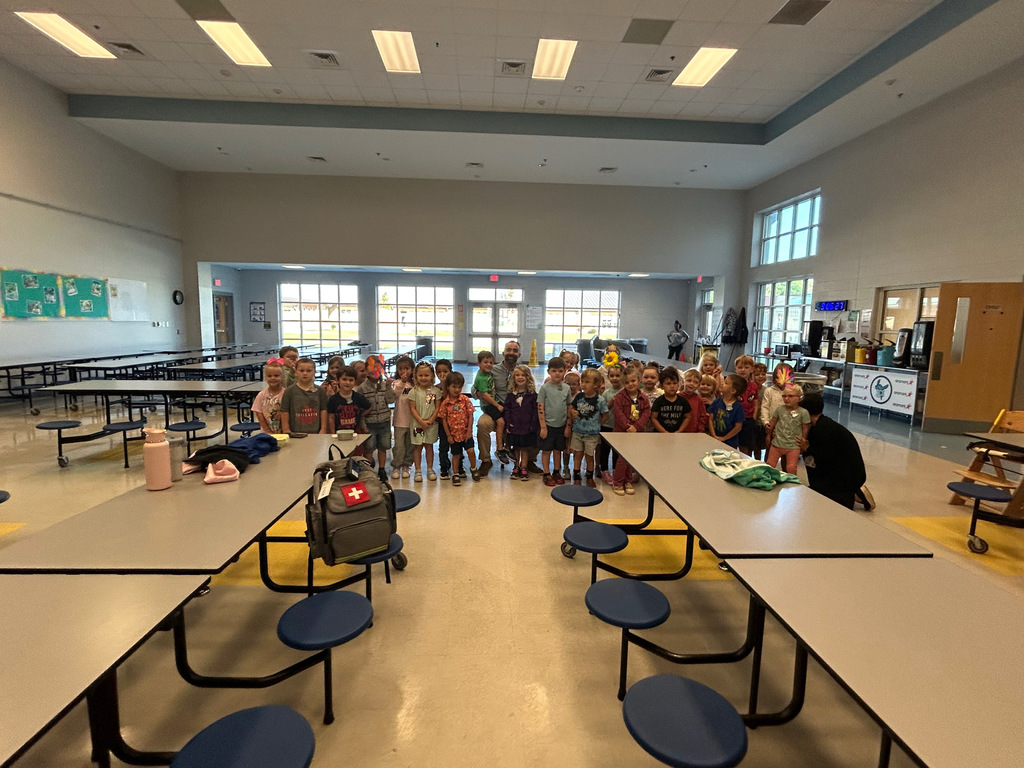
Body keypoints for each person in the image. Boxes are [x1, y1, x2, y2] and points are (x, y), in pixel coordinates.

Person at [798, 393, 867, 509]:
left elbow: (826, 456)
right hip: (845, 473)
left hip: (848, 477)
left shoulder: (823, 429)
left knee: (812, 496)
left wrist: (808, 449)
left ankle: (853, 495)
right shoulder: (821, 425)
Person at [473, 341, 520, 473]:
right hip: (495, 408)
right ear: (503, 353)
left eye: (515, 350)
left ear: (519, 354)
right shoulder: (491, 369)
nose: (511, 353)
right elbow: (475, 387)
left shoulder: (522, 372)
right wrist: (478, 393)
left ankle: (527, 461)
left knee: (533, 425)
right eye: (508, 350)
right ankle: (485, 460)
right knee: (483, 424)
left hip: (514, 411)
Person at [611, 369, 651, 495]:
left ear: (639, 381)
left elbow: (646, 413)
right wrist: (628, 426)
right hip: (622, 432)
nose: (631, 384)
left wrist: (637, 426)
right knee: (622, 458)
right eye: (627, 382)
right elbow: (618, 413)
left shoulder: (643, 398)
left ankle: (628, 480)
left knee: (631, 458)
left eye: (633, 381)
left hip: (636, 433)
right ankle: (618, 482)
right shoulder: (619, 397)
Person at [437, 371, 480, 485]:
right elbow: (444, 420)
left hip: (466, 433)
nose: (457, 390)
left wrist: (470, 431)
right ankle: (455, 473)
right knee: (456, 454)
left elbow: (470, 415)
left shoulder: (465, 400)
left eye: (459, 387)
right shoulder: (445, 403)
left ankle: (473, 468)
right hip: (454, 435)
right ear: (448, 387)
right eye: (454, 387)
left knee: (470, 451)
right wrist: (448, 435)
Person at [357, 354, 396, 479]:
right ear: (367, 370)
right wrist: (363, 425)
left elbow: (390, 400)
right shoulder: (362, 388)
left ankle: (382, 469)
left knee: (383, 447)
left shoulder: (385, 384)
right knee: (369, 449)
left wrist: (389, 387)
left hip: (384, 422)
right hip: (370, 423)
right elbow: (360, 409)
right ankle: (369, 471)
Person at [568, 368, 607, 487]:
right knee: (578, 454)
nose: (583, 384)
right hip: (578, 432)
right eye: (582, 381)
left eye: (587, 382)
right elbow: (571, 407)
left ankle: (589, 476)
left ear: (596, 385)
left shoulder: (600, 400)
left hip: (592, 434)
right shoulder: (579, 396)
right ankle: (577, 475)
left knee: (589, 455)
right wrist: (573, 412)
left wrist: (598, 424)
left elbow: (605, 414)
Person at [537, 356, 571, 487]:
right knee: (546, 451)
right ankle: (546, 473)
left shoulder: (567, 388)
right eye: (554, 371)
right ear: (549, 372)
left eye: (560, 371)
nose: (557, 374)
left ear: (565, 371)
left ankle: (556, 472)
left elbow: (568, 406)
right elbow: (540, 407)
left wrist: (568, 426)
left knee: (558, 450)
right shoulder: (545, 388)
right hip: (548, 426)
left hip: (561, 426)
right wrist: (543, 427)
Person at [503, 365, 539, 481]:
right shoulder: (510, 395)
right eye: (517, 375)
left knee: (524, 447)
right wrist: (508, 423)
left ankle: (524, 467)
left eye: (523, 375)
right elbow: (507, 409)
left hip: (527, 426)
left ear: (528, 377)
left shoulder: (532, 395)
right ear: (513, 378)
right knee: (516, 447)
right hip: (514, 425)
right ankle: (516, 466)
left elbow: (535, 410)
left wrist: (533, 424)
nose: (520, 377)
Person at [765, 384, 809, 474]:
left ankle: (792, 484)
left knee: (791, 468)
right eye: (784, 396)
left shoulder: (803, 412)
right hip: (777, 444)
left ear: (799, 398)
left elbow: (805, 428)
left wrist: (803, 441)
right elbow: (772, 423)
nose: (786, 399)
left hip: (793, 446)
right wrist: (768, 435)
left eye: (790, 396)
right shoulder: (780, 409)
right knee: (769, 465)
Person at [409, 361, 440, 482]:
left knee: (429, 446)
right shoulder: (413, 392)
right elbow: (412, 408)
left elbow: (437, 407)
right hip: (418, 425)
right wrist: (421, 421)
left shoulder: (436, 391)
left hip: (431, 425)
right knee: (417, 447)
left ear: (432, 376)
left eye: (426, 375)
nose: (423, 378)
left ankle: (430, 469)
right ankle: (417, 470)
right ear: (416, 376)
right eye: (421, 375)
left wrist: (431, 420)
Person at [279, 357, 327, 434]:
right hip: (295, 432)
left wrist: (323, 429)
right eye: (301, 371)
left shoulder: (320, 391)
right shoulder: (289, 391)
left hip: (316, 433)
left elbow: (323, 410)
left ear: (315, 372)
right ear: (295, 372)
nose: (305, 373)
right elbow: (284, 411)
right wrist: (286, 429)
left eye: (309, 371)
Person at [434, 359, 462, 480]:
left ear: (450, 371)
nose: (442, 374)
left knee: (457, 446)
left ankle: (459, 466)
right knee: (443, 445)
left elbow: (448, 399)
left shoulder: (454, 388)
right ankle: (444, 466)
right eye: (439, 371)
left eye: (445, 371)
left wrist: (446, 386)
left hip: (456, 423)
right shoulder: (435, 389)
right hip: (442, 423)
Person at [326, 365, 370, 435]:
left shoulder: (358, 397)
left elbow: (368, 407)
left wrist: (360, 415)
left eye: (351, 380)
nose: (347, 383)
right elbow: (331, 417)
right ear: (338, 380)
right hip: (339, 433)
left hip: (355, 433)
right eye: (344, 379)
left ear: (355, 381)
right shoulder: (333, 399)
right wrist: (332, 433)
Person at [598, 363, 624, 484]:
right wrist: (611, 402)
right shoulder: (607, 393)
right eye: (612, 375)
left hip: (619, 426)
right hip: (607, 425)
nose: (615, 378)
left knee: (617, 451)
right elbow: (602, 409)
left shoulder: (625, 391)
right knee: (605, 449)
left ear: (623, 376)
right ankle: (604, 470)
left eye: (618, 375)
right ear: (608, 377)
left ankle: (616, 470)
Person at [390, 356, 415, 479]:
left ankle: (407, 465)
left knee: (410, 445)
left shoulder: (415, 384)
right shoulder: (396, 383)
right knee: (399, 446)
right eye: (400, 369)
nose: (404, 371)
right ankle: (396, 465)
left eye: (407, 368)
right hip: (399, 420)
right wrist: (402, 383)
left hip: (412, 421)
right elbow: (395, 394)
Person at [707, 374, 745, 449]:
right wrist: (713, 435)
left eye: (726, 383)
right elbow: (710, 419)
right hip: (714, 438)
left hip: (730, 443)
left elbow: (738, 427)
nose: (722, 383)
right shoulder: (717, 402)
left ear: (733, 390)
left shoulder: (738, 407)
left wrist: (724, 438)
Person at [651, 366, 691, 435]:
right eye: (668, 383)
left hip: (677, 435)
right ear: (662, 386)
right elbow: (653, 418)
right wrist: (663, 432)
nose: (672, 386)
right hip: (660, 435)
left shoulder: (683, 401)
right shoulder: (658, 401)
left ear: (678, 384)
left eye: (674, 383)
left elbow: (687, 416)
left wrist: (680, 431)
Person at [734, 355, 760, 457]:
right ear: (736, 369)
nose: (743, 370)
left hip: (748, 419)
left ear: (752, 369)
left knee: (745, 445)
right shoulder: (732, 383)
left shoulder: (753, 386)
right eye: (740, 367)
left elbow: (756, 402)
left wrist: (753, 416)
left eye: (746, 368)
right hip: (734, 418)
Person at [251, 360, 285, 434]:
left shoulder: (286, 394)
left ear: (282, 377)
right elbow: (258, 413)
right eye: (269, 376)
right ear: (265, 377)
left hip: (283, 431)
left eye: (276, 376)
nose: (273, 378)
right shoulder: (261, 395)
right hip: (266, 432)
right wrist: (267, 430)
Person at [562, 370, 581, 477]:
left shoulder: (580, 396)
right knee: (566, 449)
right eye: (568, 384)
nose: (571, 387)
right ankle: (565, 467)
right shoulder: (564, 395)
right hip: (566, 426)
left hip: (577, 428)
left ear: (579, 385)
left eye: (574, 384)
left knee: (576, 449)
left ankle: (576, 468)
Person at [680, 368, 707, 433]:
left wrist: (700, 430)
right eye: (689, 380)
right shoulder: (677, 397)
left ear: (698, 385)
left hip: (693, 432)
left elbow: (702, 416)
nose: (692, 384)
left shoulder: (699, 399)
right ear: (683, 382)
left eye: (695, 382)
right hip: (678, 431)